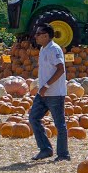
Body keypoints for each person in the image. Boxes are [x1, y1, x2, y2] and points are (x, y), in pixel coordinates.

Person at [27, 24, 70, 164]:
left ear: (46, 36)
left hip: (55, 93)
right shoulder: (43, 49)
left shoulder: (54, 49)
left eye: (38, 34)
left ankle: (63, 154)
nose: (36, 36)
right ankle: (45, 149)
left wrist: (46, 86)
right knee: (34, 118)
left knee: (59, 124)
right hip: (43, 93)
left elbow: (60, 69)